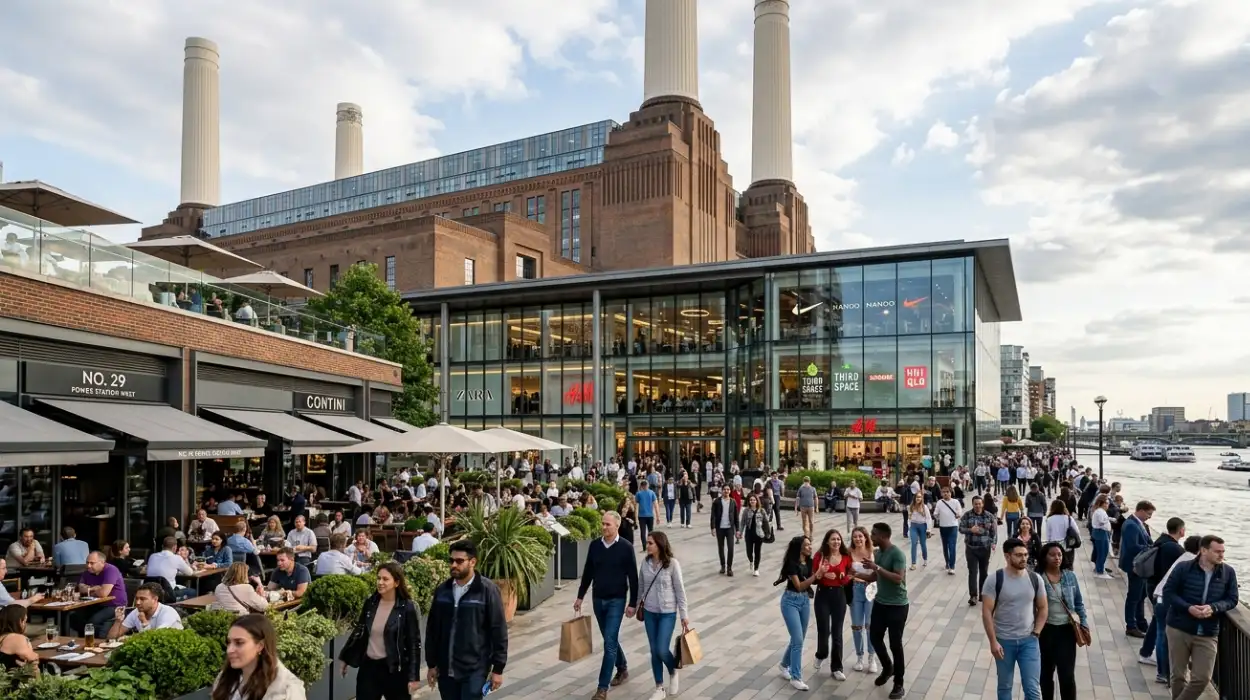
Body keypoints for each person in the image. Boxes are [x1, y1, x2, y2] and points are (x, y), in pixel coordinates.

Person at [425, 540, 508, 700]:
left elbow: (498, 630)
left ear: (472, 562)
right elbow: (433, 629)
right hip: (446, 669)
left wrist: (498, 669)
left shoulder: (487, 590)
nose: (453, 565)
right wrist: (431, 664)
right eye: (451, 561)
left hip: (474, 669)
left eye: (459, 561)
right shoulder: (442, 591)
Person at [1163, 534, 1239, 699]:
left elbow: (1232, 599)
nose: (1221, 555)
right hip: (1179, 627)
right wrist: (1188, 608)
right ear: (1204, 550)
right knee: (1178, 676)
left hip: (1208, 630)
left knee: (1202, 678)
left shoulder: (1228, 572)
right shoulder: (1183, 567)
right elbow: (1168, 592)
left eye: (1223, 551)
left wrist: (1214, 607)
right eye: (1217, 551)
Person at [576, 511, 638, 698]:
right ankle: (622, 667)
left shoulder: (626, 547)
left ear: (617, 526)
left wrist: (632, 603)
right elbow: (588, 572)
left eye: (607, 524)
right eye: (603, 524)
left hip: (617, 601)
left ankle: (602, 688)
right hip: (598, 599)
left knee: (609, 642)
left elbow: (633, 577)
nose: (604, 527)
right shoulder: (595, 546)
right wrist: (580, 596)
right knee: (609, 639)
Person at [338, 562, 422, 700]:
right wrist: (345, 657)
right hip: (369, 668)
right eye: (378, 578)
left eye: (385, 579)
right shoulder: (370, 603)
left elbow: (414, 644)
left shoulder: (406, 608)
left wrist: (413, 677)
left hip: (395, 670)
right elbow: (359, 631)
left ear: (396, 582)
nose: (380, 582)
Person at [982, 538, 1046, 700]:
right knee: (1005, 686)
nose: (1023, 558)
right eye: (1018, 555)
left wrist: (1036, 632)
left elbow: (1043, 607)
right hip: (1004, 642)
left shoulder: (1035, 579)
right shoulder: (994, 579)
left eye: (1025, 554)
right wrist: (993, 642)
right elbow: (987, 612)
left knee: (1032, 690)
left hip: (1029, 641)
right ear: (1007, 557)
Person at [854, 522, 908, 700]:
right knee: (875, 638)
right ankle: (888, 667)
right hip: (880, 603)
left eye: (874, 534)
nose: (871, 537)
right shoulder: (878, 553)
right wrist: (853, 574)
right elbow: (873, 577)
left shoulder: (897, 554)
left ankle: (898, 684)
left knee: (895, 644)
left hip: (897, 606)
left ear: (884, 536)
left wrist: (876, 567)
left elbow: (898, 578)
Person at [638, 531, 689, 700]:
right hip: (650, 612)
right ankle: (659, 687)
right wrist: (634, 606)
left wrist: (684, 615)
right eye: (647, 542)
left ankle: (673, 670)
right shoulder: (645, 563)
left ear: (659, 544)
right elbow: (640, 587)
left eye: (650, 543)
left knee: (661, 648)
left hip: (668, 612)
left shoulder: (672, 564)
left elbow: (680, 590)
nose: (647, 546)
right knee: (654, 651)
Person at [1036, 542, 1088, 700]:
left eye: (1059, 554)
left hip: (1067, 630)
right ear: (1044, 557)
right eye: (1052, 555)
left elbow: (1078, 603)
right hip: (1045, 630)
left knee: (1067, 675)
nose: (1057, 558)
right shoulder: (1038, 578)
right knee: (1045, 673)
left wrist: (1083, 623)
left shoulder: (1069, 576)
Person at [210, 614, 306, 700]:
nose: (229, 650)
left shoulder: (287, 691)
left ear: (260, 646)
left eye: (239, 643)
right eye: (229, 642)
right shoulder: (225, 678)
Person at [776, 535, 826, 691]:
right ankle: (796, 677)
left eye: (810, 544)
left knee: (799, 638)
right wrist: (816, 576)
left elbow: (812, 580)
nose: (810, 547)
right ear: (799, 547)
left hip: (804, 602)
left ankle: (784, 665)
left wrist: (821, 574)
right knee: (798, 639)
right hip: (790, 601)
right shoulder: (791, 564)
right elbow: (799, 586)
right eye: (807, 545)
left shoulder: (810, 562)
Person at [812, 529, 853, 680]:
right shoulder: (820, 556)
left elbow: (851, 573)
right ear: (827, 541)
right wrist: (821, 574)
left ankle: (837, 667)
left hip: (839, 595)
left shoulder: (846, 557)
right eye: (833, 539)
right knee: (823, 630)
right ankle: (821, 654)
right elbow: (814, 578)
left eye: (838, 539)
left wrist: (844, 579)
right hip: (823, 594)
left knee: (837, 632)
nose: (836, 542)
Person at [1118, 500, 1155, 638]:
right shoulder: (1131, 525)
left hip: (1139, 566)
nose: (1149, 517)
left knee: (1140, 595)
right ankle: (1131, 625)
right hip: (1135, 566)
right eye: (1149, 514)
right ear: (1141, 510)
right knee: (1134, 597)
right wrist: (1151, 548)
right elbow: (1133, 546)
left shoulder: (1137, 523)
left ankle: (1140, 622)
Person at [847, 526, 878, 674]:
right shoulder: (849, 552)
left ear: (866, 537)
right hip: (855, 589)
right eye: (855, 537)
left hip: (871, 589)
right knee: (857, 625)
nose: (858, 539)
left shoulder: (873, 552)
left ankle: (872, 658)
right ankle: (859, 657)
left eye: (860, 536)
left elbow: (878, 571)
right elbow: (846, 571)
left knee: (870, 624)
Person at [75, 551, 128, 635]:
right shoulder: (88, 571)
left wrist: (89, 589)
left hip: (114, 605)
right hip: (95, 604)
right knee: (75, 617)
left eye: (92, 563)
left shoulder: (111, 570)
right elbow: (80, 587)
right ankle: (82, 640)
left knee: (92, 622)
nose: (88, 566)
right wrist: (94, 588)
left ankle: (98, 640)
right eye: (87, 563)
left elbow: (103, 593)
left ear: (102, 562)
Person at [959, 495, 998, 606]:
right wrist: (970, 530)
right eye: (975, 504)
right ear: (972, 504)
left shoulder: (989, 516)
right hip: (971, 548)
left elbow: (994, 531)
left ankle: (982, 594)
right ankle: (973, 595)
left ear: (982, 504)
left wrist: (993, 543)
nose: (977, 506)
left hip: (985, 548)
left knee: (984, 572)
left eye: (979, 503)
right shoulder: (967, 515)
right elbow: (961, 529)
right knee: (973, 572)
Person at [109, 582, 184, 638]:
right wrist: (118, 621)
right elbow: (111, 638)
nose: (137, 603)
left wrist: (144, 622)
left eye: (142, 599)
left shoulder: (168, 612)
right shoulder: (136, 611)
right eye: (137, 598)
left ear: (155, 599)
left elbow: (154, 639)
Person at [147, 535, 197, 600]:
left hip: (151, 591)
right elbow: (190, 573)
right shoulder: (176, 558)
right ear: (174, 547)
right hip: (167, 593)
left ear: (162, 546)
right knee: (193, 592)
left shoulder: (152, 556)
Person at [710, 484, 740, 576]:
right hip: (720, 528)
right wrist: (713, 527)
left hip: (729, 528)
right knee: (721, 547)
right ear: (721, 490)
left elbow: (736, 517)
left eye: (728, 489)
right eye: (724, 489)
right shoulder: (717, 502)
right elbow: (713, 516)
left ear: (730, 491)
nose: (726, 491)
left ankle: (729, 567)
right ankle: (723, 566)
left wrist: (737, 530)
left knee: (731, 548)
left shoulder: (733, 502)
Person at [934, 487, 964, 574]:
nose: (946, 494)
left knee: (952, 546)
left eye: (947, 492)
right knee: (945, 546)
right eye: (944, 492)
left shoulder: (955, 502)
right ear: (941, 494)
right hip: (943, 527)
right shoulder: (939, 502)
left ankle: (952, 566)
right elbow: (935, 513)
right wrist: (938, 516)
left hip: (953, 526)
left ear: (951, 493)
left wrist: (958, 515)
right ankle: (947, 562)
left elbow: (960, 511)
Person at [0, 606, 40, 671]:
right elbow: (33, 663)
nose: (25, 624)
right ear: (19, 622)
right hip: (9, 679)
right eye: (25, 621)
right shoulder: (17, 638)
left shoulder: (3, 637)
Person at [739, 492, 769, 577]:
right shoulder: (746, 511)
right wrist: (740, 532)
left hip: (759, 534)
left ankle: (756, 569)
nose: (752, 501)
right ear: (749, 501)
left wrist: (768, 533)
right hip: (749, 534)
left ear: (757, 501)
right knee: (749, 551)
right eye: (751, 500)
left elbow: (766, 522)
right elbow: (742, 523)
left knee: (757, 552)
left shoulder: (761, 511)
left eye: (754, 500)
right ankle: (751, 561)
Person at [906, 498, 931, 569]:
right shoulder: (911, 507)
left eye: (920, 497)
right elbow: (909, 518)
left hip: (922, 526)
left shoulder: (924, 507)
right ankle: (913, 563)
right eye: (917, 497)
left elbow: (928, 518)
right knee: (914, 543)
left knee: (923, 544)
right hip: (913, 526)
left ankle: (925, 559)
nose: (918, 498)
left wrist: (928, 529)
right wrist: (909, 527)